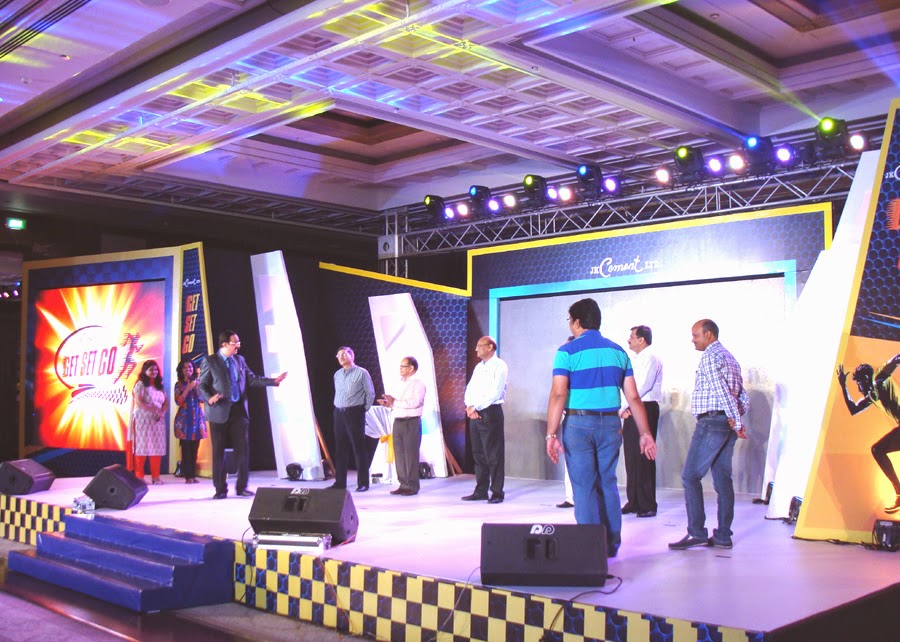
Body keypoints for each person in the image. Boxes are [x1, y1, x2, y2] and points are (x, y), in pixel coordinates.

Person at [545, 299, 656, 558]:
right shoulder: (618, 352)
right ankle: (611, 544)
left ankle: (590, 548)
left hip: (578, 424)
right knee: (607, 482)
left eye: (570, 320)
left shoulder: (566, 351)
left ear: (577, 322)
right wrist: (646, 434)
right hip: (611, 425)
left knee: (583, 486)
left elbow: (559, 394)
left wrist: (551, 434)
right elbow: (633, 397)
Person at [669, 319, 749, 551]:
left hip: (712, 422)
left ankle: (697, 533)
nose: (692, 340)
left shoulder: (711, 356)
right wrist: (736, 418)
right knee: (723, 480)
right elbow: (742, 395)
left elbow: (722, 392)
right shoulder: (730, 358)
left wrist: (736, 420)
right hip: (725, 423)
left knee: (690, 476)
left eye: (696, 335)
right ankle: (723, 536)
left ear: (709, 335)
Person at [199, 330, 287, 500]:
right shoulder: (210, 361)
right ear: (224, 344)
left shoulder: (239, 360)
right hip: (218, 410)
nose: (238, 346)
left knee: (243, 450)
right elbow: (202, 385)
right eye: (235, 343)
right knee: (218, 452)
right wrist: (210, 398)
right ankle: (220, 489)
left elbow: (252, 379)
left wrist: (273, 381)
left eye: (238, 342)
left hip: (238, 410)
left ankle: (242, 487)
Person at [836, 353, 900, 514]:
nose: (859, 389)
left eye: (859, 385)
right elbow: (853, 409)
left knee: (877, 449)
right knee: (877, 450)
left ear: (866, 379)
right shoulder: (872, 396)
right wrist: (843, 386)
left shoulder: (879, 379)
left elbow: (895, 360)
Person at [620, 325, 664, 518]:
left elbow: (643, 385)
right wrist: (624, 407)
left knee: (644, 455)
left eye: (632, 336)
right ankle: (634, 501)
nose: (628, 340)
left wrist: (625, 406)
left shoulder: (651, 357)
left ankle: (647, 504)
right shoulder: (634, 359)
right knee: (631, 454)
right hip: (632, 406)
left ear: (641, 339)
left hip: (645, 407)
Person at [462, 336, 509, 504]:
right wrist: (469, 406)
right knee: (478, 454)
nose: (476, 349)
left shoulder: (500, 365)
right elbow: (469, 389)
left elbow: (495, 392)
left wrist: (476, 406)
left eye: (480, 346)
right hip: (474, 413)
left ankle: (497, 492)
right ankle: (481, 490)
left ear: (490, 347)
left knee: (494, 454)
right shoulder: (478, 367)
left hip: (490, 412)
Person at [378, 356, 426, 496]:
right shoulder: (399, 383)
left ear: (411, 368)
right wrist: (388, 404)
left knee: (410, 455)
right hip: (398, 421)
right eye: (400, 366)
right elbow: (396, 403)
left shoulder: (418, 384)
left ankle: (412, 486)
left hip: (411, 421)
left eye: (403, 366)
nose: (400, 369)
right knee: (399, 455)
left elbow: (415, 402)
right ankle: (403, 484)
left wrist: (395, 402)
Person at [332, 346, 376, 492]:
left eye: (344, 354)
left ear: (352, 356)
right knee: (340, 448)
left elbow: (370, 393)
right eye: (338, 355)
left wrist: (362, 409)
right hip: (339, 413)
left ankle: (363, 483)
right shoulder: (337, 374)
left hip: (355, 412)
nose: (341, 357)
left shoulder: (361, 372)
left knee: (358, 448)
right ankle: (340, 483)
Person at [131, 360, 168, 484]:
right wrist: (154, 410)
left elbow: (166, 402)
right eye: (151, 369)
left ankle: (155, 477)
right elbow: (139, 402)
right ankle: (139, 477)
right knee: (142, 447)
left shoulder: (159, 386)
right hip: (143, 420)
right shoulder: (140, 384)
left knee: (156, 448)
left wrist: (161, 412)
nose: (154, 372)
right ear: (144, 371)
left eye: (156, 369)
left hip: (158, 421)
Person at [174, 359, 207, 484]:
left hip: (197, 420)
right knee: (186, 449)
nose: (188, 369)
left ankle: (193, 474)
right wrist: (188, 388)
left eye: (190, 367)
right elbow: (179, 401)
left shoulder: (198, 383)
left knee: (195, 449)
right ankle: (188, 476)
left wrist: (197, 388)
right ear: (181, 370)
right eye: (185, 367)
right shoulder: (179, 385)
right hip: (184, 422)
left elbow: (202, 399)